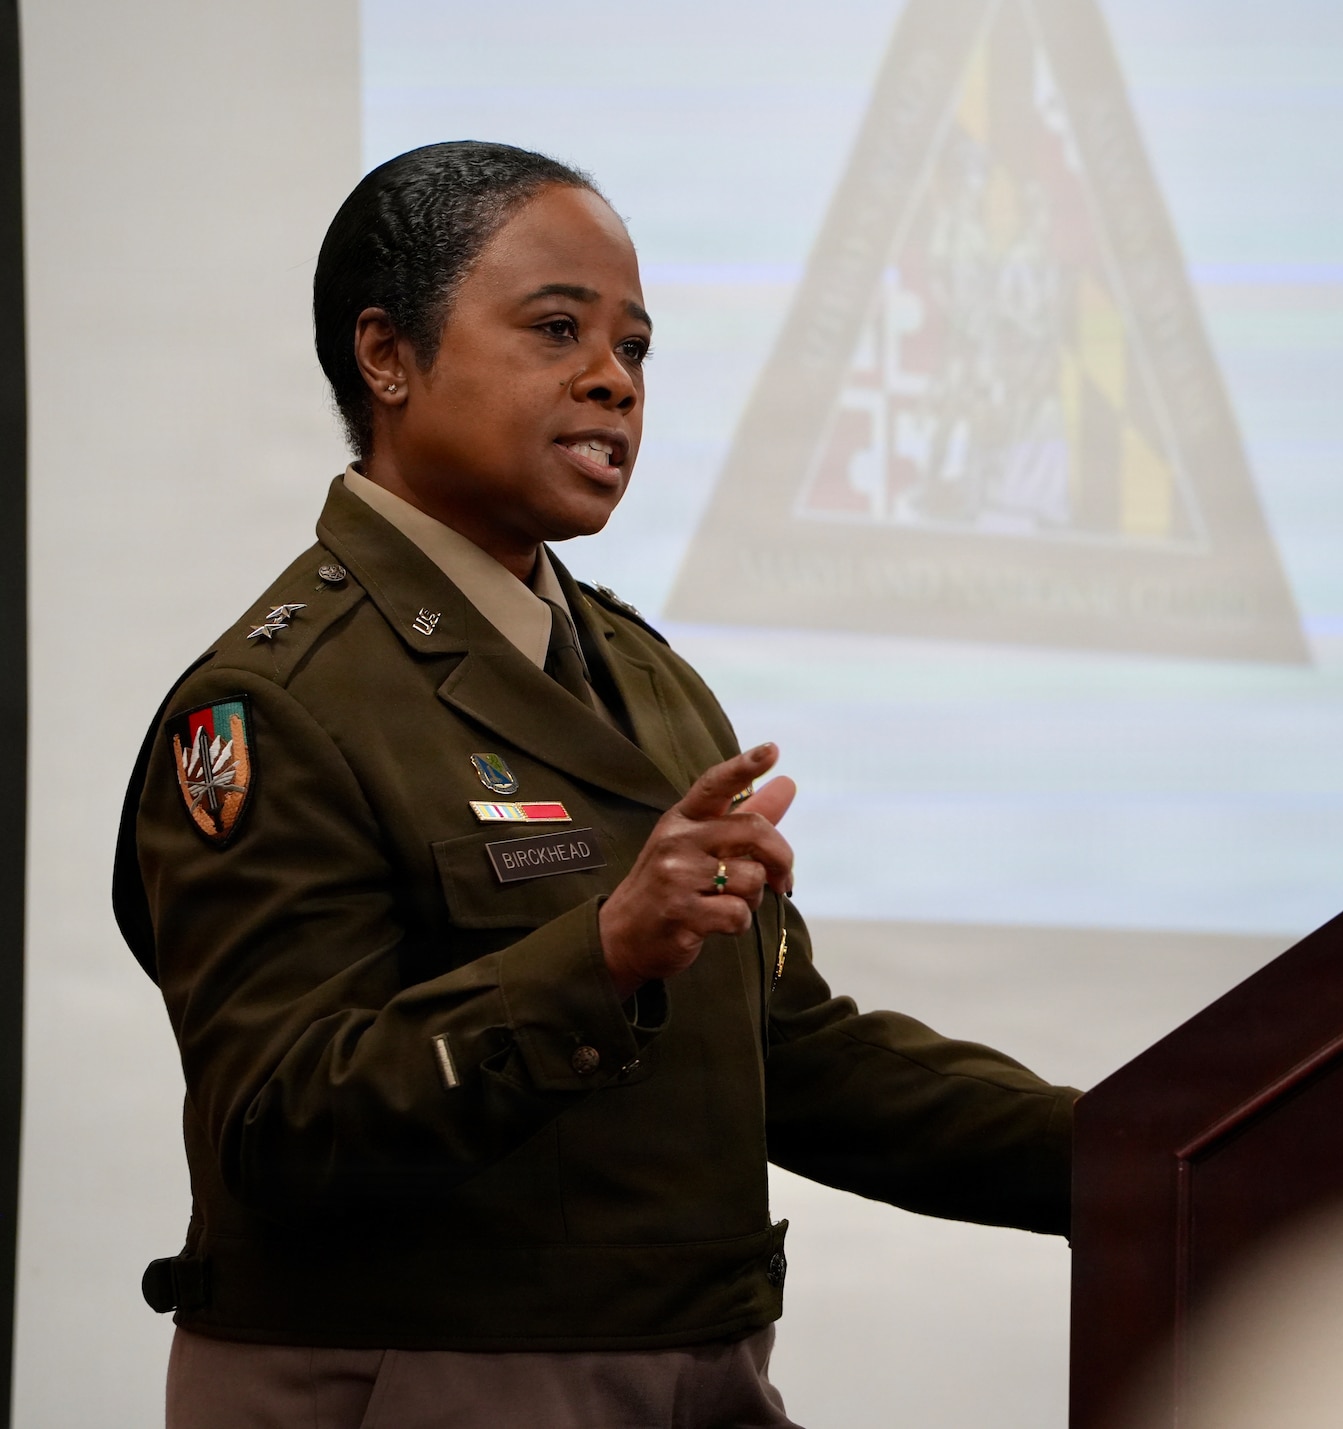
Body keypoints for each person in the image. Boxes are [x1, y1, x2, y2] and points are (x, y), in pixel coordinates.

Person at [111, 140, 1078, 1428]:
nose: (612, 382)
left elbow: (787, 1054)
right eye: (557, 329)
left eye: (635, 349)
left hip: (702, 1371)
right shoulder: (275, 709)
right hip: (416, 1384)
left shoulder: (646, 681)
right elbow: (281, 1130)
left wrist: (1137, 1155)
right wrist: (605, 951)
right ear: (388, 357)